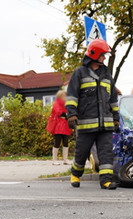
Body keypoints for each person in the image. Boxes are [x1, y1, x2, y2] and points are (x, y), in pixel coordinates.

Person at [65, 38, 120, 190]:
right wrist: (71, 114)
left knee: (106, 154)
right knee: (81, 152)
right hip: (86, 123)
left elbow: (113, 99)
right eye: (103, 55)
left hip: (106, 124)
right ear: (94, 54)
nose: (104, 57)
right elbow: (72, 96)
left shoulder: (107, 75)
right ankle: (76, 174)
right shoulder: (79, 73)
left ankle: (106, 181)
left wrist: (116, 119)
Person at [48, 90, 72, 164]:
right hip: (58, 126)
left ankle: (65, 160)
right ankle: (54, 160)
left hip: (65, 125)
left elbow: (65, 113)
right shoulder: (57, 103)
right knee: (57, 142)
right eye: (64, 95)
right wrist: (66, 114)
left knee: (66, 142)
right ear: (61, 96)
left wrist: (66, 115)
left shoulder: (65, 103)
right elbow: (59, 113)